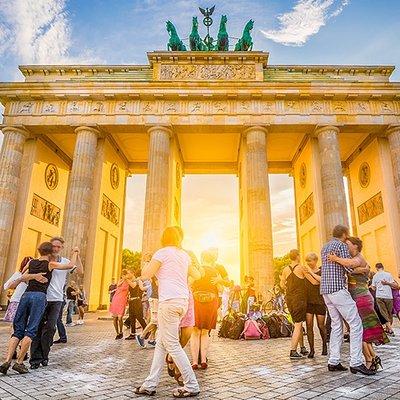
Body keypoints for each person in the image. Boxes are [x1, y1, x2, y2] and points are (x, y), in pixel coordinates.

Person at [135, 226, 200, 398]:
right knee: (162, 343)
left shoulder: (162, 253)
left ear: (164, 238)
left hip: (169, 302)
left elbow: (146, 275)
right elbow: (197, 275)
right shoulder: (184, 255)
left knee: (171, 344)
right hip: (182, 301)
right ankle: (150, 384)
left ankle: (192, 385)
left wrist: (145, 262)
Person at [0, 242, 79, 375]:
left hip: (25, 296)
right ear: (49, 253)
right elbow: (71, 265)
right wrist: (75, 252)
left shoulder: (31, 263)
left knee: (18, 330)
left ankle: (7, 361)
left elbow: (21, 277)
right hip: (39, 297)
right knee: (31, 330)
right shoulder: (50, 264)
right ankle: (19, 363)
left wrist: (32, 276)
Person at [328, 237, 389, 371]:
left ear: (355, 246)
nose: (345, 246)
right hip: (357, 297)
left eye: (347, 244)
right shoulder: (351, 259)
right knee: (362, 329)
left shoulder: (358, 259)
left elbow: (350, 266)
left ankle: (369, 360)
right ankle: (373, 357)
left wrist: (335, 259)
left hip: (361, 298)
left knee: (358, 329)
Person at [320, 225, 374, 375]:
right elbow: (349, 269)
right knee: (355, 323)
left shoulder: (325, 247)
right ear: (344, 234)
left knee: (337, 325)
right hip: (337, 289)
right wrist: (364, 269)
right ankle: (356, 362)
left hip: (325, 290)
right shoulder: (342, 246)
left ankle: (333, 361)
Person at [30, 236, 83, 369]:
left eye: (59, 247)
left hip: (57, 299)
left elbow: (80, 271)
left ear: (62, 248)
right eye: (54, 246)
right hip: (41, 298)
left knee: (50, 328)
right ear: (49, 246)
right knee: (37, 328)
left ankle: (44, 356)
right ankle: (35, 359)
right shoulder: (42, 261)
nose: (56, 249)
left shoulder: (65, 261)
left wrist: (77, 255)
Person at [190, 250, 221, 370]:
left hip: (196, 301)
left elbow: (189, 283)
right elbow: (221, 289)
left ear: (202, 258)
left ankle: (194, 362)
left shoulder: (197, 269)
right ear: (212, 259)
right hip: (211, 302)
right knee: (205, 332)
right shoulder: (215, 271)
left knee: (195, 331)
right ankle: (203, 360)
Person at [280, 249, 309, 359]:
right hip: (299, 298)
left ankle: (302, 347)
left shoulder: (285, 269)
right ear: (297, 256)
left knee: (298, 322)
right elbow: (311, 281)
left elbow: (282, 285)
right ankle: (293, 350)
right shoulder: (301, 268)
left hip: (289, 298)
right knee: (298, 324)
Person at [303, 252, 327, 359]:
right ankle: (312, 350)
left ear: (315, 260)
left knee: (321, 326)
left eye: (310, 261)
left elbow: (317, 282)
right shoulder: (305, 272)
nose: (308, 263)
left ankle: (324, 345)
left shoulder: (322, 271)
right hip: (309, 302)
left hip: (320, 301)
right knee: (309, 326)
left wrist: (311, 273)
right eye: (307, 261)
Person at [371, 263, 396, 336]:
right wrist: (387, 283)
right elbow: (393, 285)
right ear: (383, 267)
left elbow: (373, 287)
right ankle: (390, 328)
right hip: (389, 296)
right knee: (389, 313)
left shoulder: (375, 276)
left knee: (383, 312)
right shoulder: (388, 275)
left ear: (376, 268)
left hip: (379, 296)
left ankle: (389, 328)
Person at [110, 269, 134, 339]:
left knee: (120, 318)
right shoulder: (120, 281)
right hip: (115, 300)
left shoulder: (128, 281)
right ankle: (117, 333)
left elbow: (132, 285)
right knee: (114, 318)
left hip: (122, 300)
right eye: (123, 275)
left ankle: (121, 332)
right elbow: (117, 285)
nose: (124, 276)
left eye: (125, 275)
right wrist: (123, 279)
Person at [125, 272, 147, 340]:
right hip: (131, 301)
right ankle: (132, 334)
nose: (127, 275)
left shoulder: (138, 280)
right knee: (132, 318)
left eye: (128, 273)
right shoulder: (131, 281)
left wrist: (126, 279)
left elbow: (133, 286)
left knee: (139, 317)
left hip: (137, 301)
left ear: (132, 273)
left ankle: (147, 331)